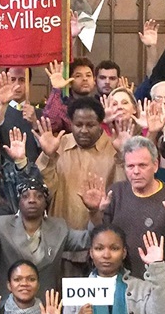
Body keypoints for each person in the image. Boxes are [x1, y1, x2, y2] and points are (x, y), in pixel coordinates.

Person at [34, 97, 123, 272]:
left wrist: (121, 157)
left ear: (100, 124)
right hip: (61, 244)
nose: (83, 130)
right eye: (78, 124)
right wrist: (47, 156)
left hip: (103, 249)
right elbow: (40, 191)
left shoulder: (115, 148)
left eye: (90, 125)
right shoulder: (58, 145)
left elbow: (123, 193)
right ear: (71, 123)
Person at [0, 172, 95, 300]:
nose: (32, 200)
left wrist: (94, 211)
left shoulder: (59, 228)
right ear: (19, 202)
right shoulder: (1, 224)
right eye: (25, 196)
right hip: (7, 307)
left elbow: (90, 240)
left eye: (39, 197)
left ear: (45, 203)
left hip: (46, 308)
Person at [102, 136, 165, 278]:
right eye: (130, 166)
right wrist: (94, 212)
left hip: (162, 284)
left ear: (156, 165)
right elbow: (100, 236)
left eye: (142, 165)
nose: (135, 172)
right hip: (122, 282)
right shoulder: (115, 192)